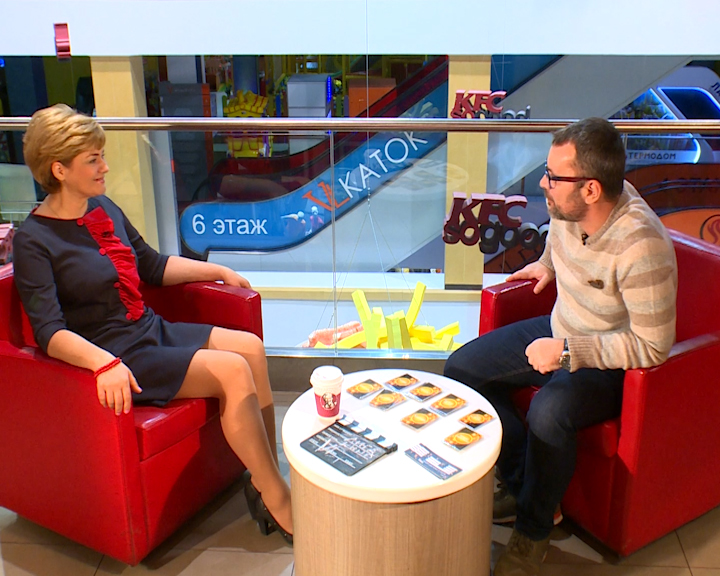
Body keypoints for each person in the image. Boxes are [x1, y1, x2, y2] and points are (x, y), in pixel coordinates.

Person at [12, 104, 292, 544]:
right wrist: (103, 364)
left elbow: (152, 265)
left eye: (102, 156)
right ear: (59, 169)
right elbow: (49, 332)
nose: (105, 167)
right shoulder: (34, 240)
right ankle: (279, 499)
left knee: (250, 348)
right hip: (116, 354)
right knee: (233, 370)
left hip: (148, 328)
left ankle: (265, 476)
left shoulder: (102, 207)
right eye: (93, 159)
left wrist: (217, 271)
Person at [444, 117, 677, 576]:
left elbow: (653, 347)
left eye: (553, 176)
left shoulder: (641, 247)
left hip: (610, 361)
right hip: (560, 328)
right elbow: (560, 233)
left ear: (591, 189)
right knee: (462, 371)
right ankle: (524, 488)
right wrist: (547, 263)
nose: (543, 184)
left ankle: (532, 533)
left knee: (548, 413)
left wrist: (569, 352)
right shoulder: (568, 205)